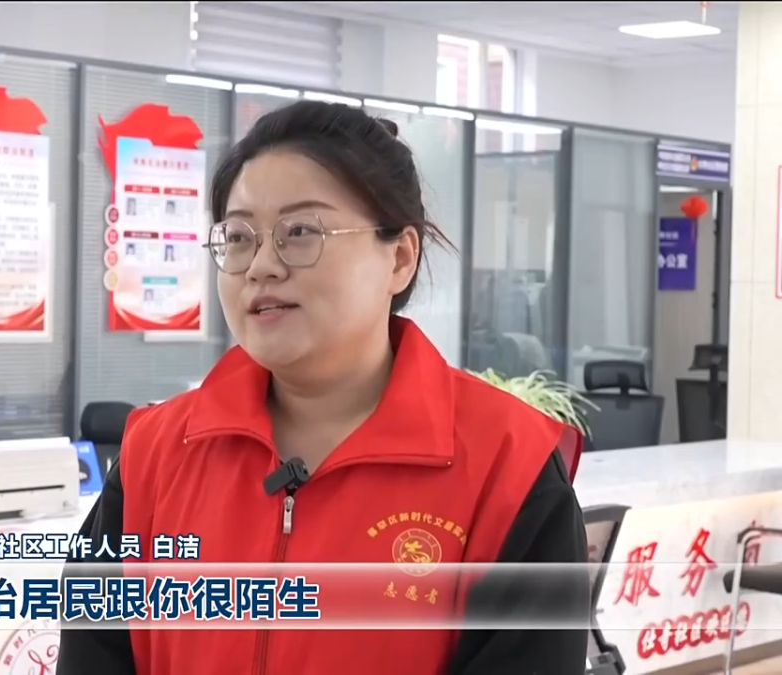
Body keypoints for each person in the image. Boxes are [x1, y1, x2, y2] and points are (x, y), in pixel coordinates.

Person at [58, 100, 589, 675]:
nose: (261, 265)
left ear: (399, 258)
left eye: (300, 232)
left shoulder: (508, 467)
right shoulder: (154, 455)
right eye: (239, 237)